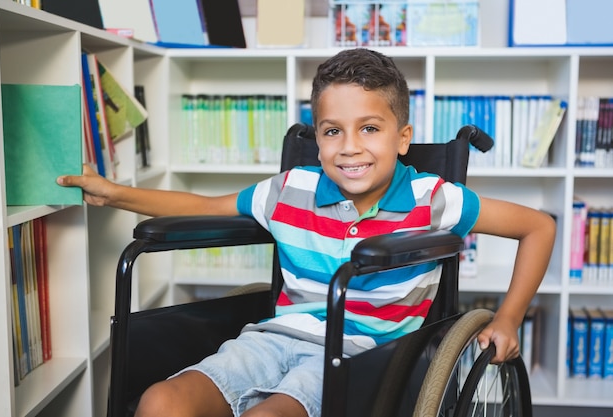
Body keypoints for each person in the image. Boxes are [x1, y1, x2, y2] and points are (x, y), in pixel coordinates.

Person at [57, 48, 556, 417]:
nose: (349, 146)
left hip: (363, 351)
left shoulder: (434, 198)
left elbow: (537, 227)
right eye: (333, 130)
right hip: (275, 338)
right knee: (160, 401)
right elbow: (202, 205)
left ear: (402, 138)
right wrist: (114, 193)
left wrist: (509, 319)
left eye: (370, 128)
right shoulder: (291, 189)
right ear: (316, 140)